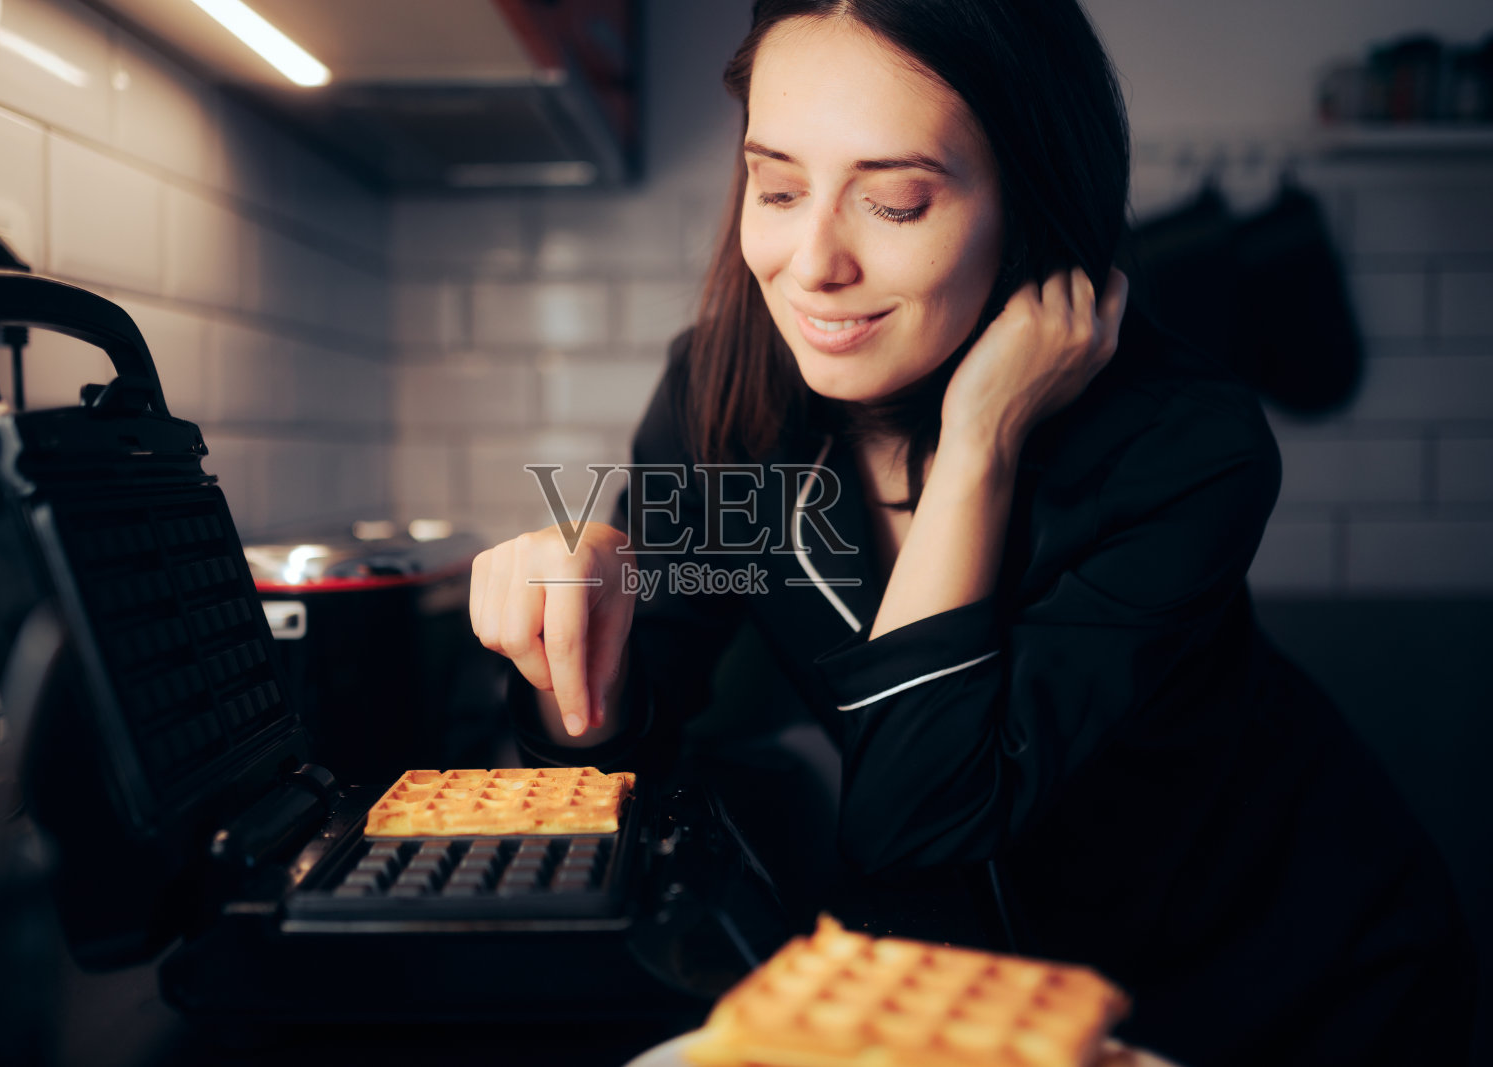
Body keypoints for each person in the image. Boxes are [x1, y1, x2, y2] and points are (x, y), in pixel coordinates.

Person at [468, 1, 1476, 1063]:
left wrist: (980, 438)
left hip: (1291, 996)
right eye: (774, 187)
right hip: (975, 1008)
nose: (811, 263)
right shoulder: (724, 398)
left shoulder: (1184, 447)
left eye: (895, 204)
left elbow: (917, 821)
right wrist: (571, 639)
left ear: (1029, 201)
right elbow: (627, 748)